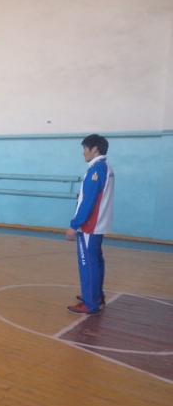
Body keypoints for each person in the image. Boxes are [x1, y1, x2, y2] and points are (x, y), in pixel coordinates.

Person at [66, 134, 114, 315]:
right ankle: (96, 295)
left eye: (85, 148)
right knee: (96, 260)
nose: (83, 152)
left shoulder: (97, 169)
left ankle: (90, 303)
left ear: (94, 149)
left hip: (90, 225)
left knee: (88, 264)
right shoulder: (105, 167)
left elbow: (88, 201)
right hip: (97, 224)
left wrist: (75, 225)